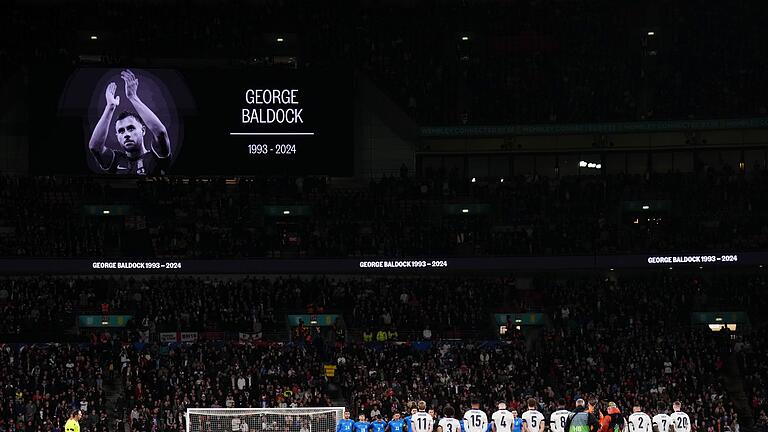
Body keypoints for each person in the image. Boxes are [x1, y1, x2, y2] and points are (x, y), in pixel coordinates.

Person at [88, 69, 171, 175]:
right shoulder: (115, 160)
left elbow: (160, 133)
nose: (126, 134)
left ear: (143, 130)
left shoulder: (156, 156)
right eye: (121, 131)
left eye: (131, 128)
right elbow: (94, 147)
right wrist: (110, 107)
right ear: (117, 136)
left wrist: (133, 97)